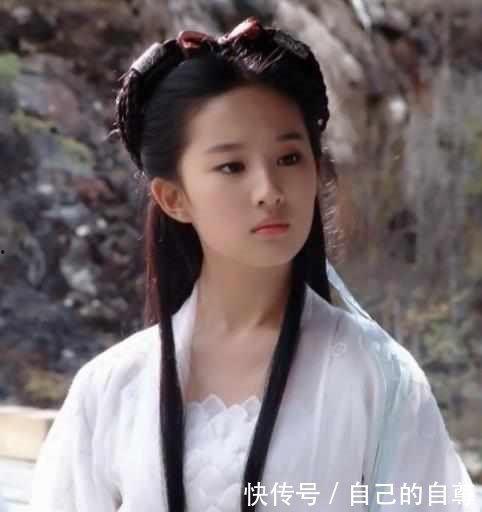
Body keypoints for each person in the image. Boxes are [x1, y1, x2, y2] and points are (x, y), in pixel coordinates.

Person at [29, 16, 479, 512]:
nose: (269, 191)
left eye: (289, 159)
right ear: (174, 197)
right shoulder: (112, 388)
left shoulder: (378, 376)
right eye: (232, 166)